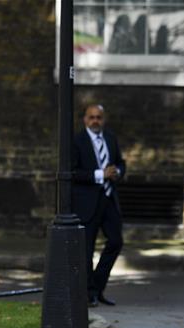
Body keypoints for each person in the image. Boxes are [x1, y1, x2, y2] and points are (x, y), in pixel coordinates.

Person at [71, 103, 126, 307]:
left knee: (116, 241)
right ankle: (89, 294)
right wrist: (99, 174)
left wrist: (117, 172)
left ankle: (97, 286)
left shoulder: (110, 138)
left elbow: (121, 163)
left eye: (99, 117)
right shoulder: (77, 141)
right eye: (91, 117)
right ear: (85, 119)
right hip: (87, 202)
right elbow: (72, 172)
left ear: (104, 119)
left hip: (109, 198)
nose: (95, 121)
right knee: (87, 249)